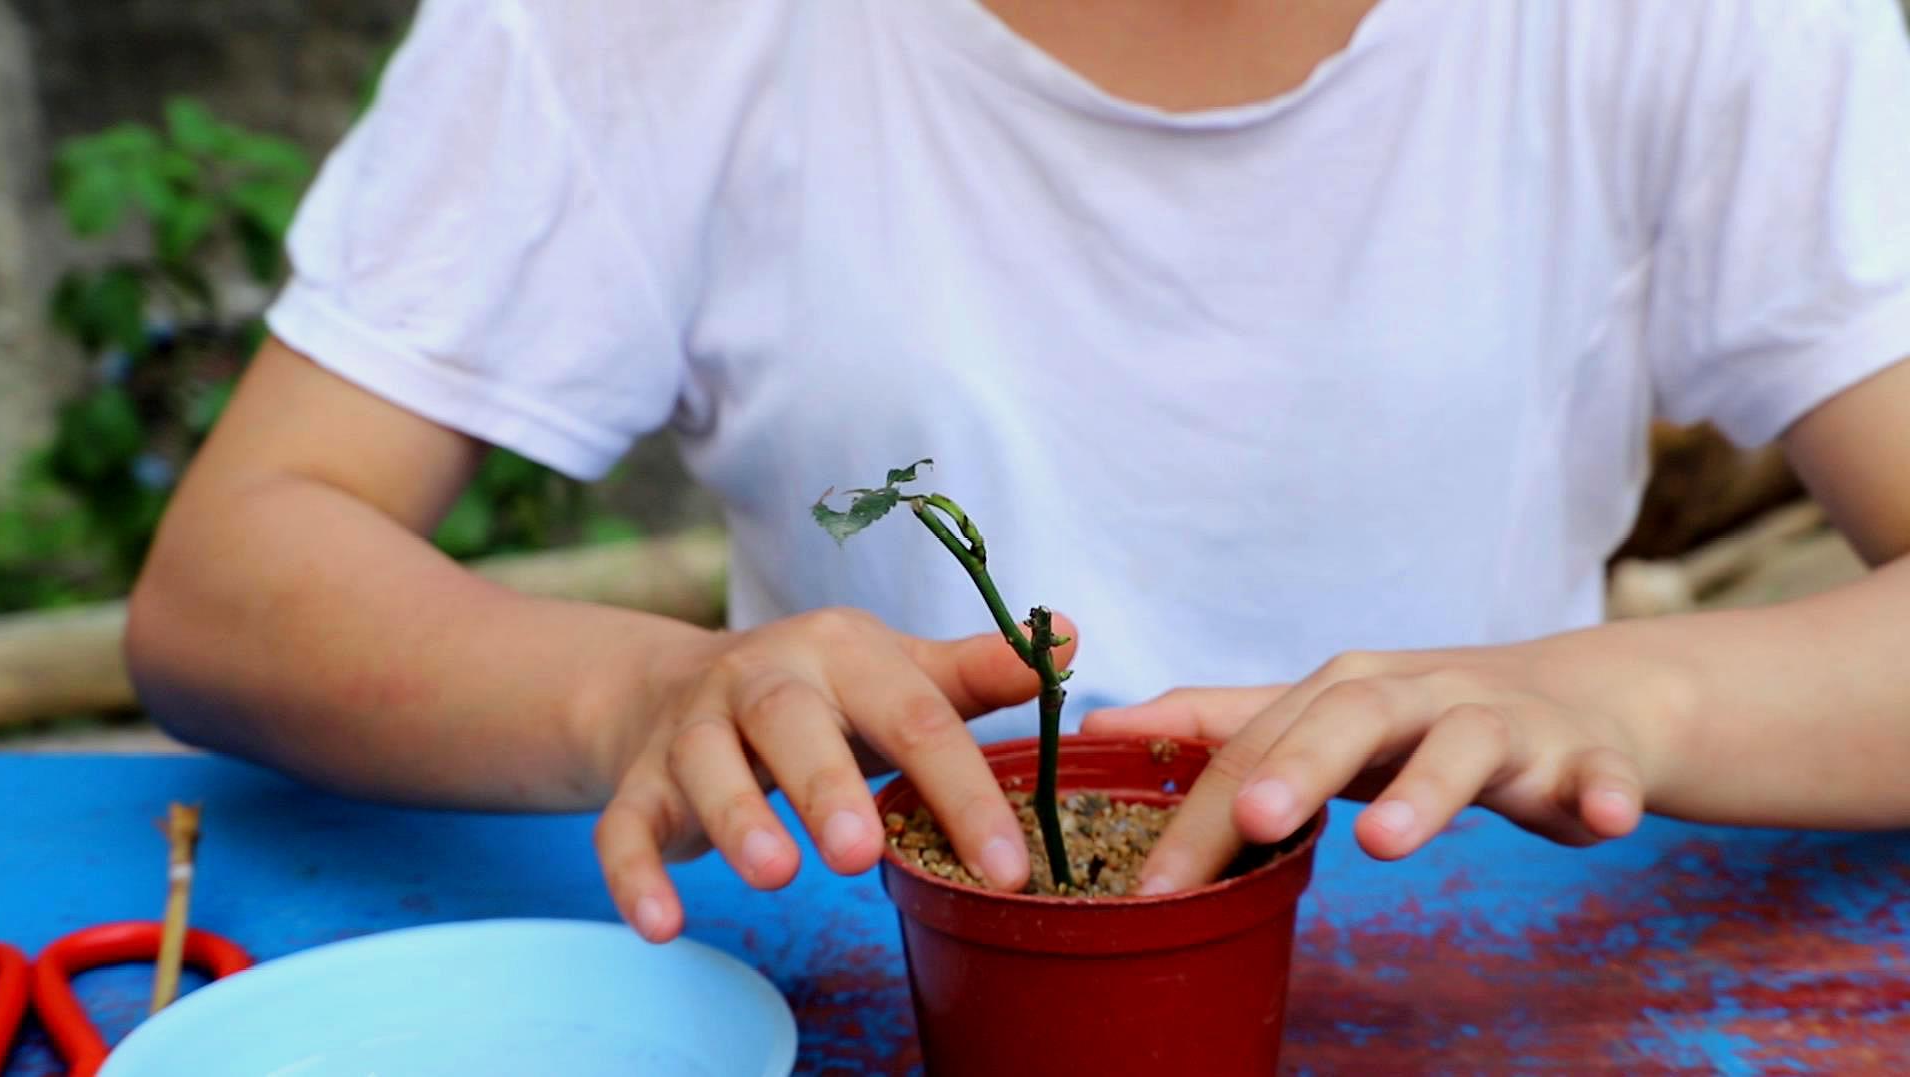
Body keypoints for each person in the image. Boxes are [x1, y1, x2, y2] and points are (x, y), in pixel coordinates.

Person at [125, 0, 1910, 942]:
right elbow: (232, 583)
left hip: (1481, 945)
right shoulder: (645, 29)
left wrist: (1609, 698)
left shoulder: (1695, 23)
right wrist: (648, 695)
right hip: (865, 943)